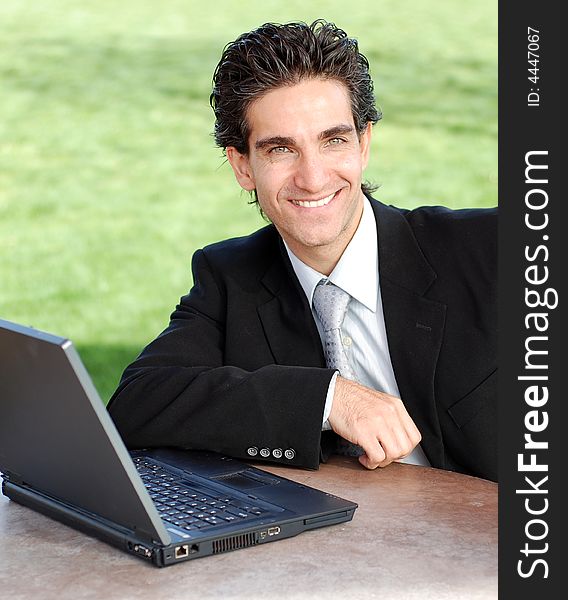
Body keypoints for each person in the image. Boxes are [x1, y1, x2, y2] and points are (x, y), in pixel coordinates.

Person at [108, 20, 497, 482]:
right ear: (243, 167)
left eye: (333, 141)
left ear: (363, 143)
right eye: (281, 150)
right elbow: (136, 403)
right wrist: (330, 400)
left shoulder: (493, 249)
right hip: (331, 548)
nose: (312, 178)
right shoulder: (231, 278)